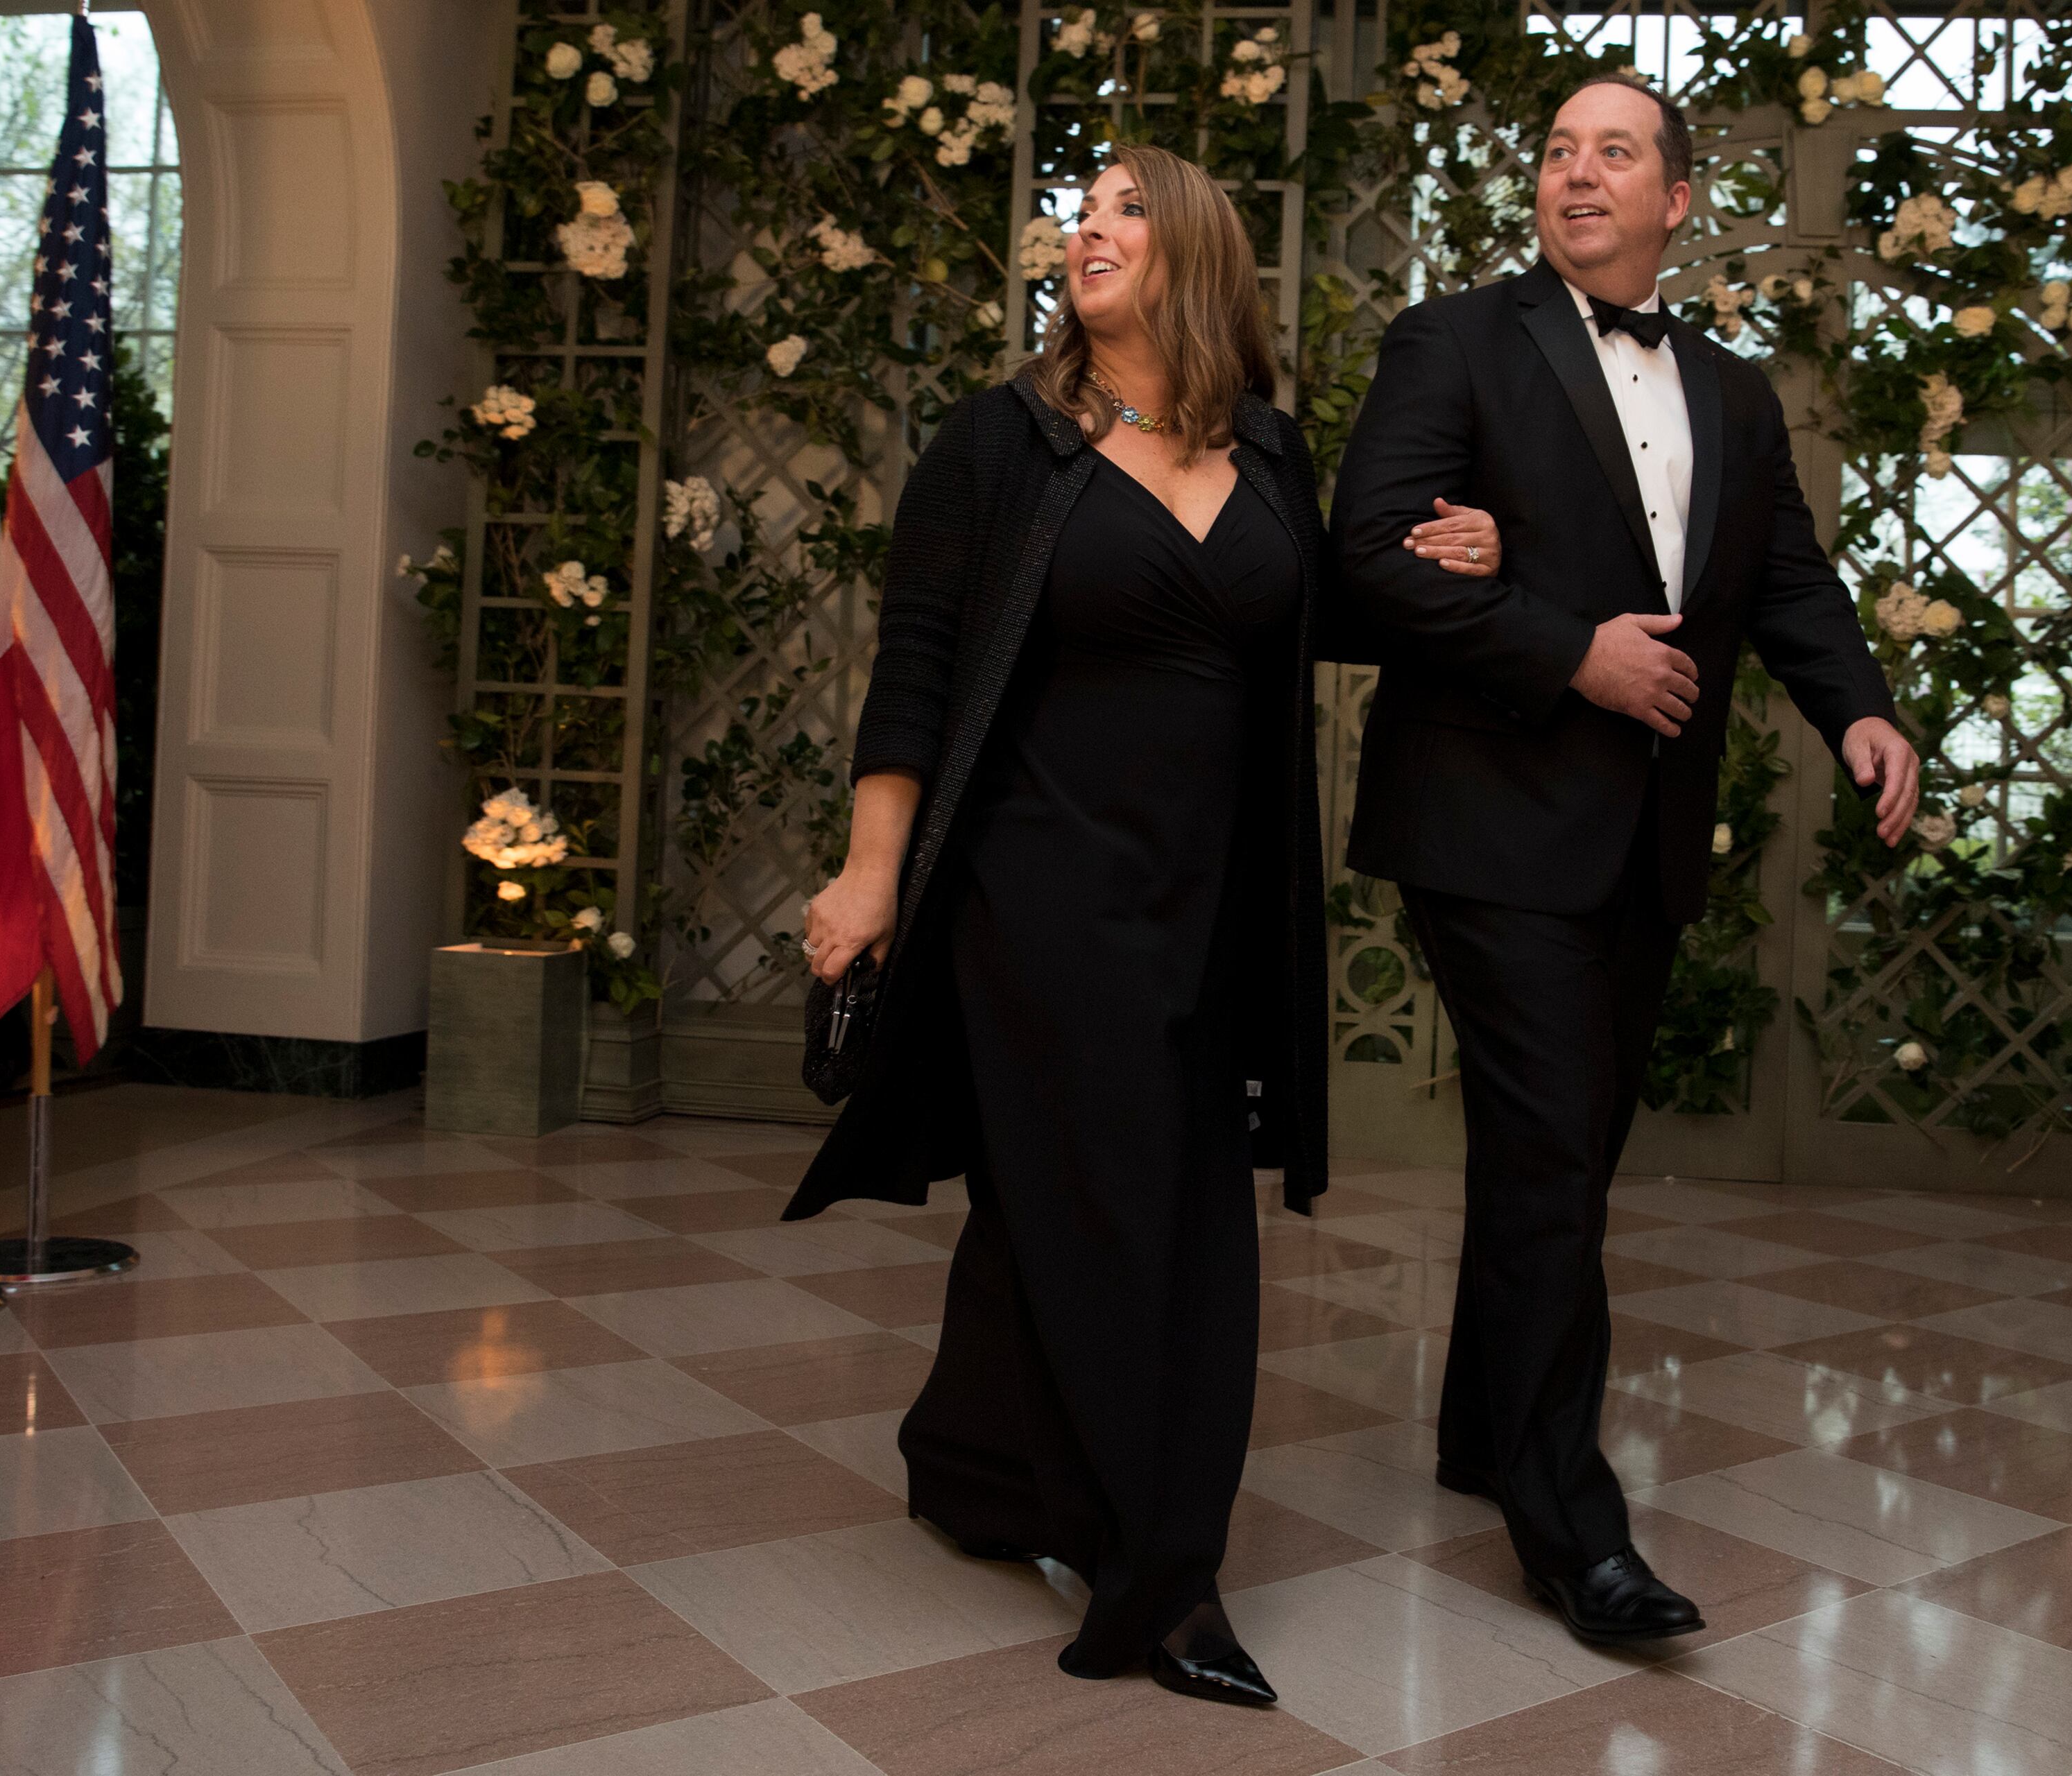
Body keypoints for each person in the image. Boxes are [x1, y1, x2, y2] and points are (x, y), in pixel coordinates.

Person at [786, 142, 1508, 1705]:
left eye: (1125, 209)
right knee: (1148, 1228)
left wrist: (1457, 559)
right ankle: (1160, 1578)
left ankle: (977, 1465)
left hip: (1215, 905)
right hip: (1034, 893)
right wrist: (870, 872)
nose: (1087, 230)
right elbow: (916, 668)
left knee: (1077, 1202)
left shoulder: (1269, 453)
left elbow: (1311, 616)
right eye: (1080, 213)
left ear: (1193, 253)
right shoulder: (1003, 445)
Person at [1326, 73, 1920, 1644]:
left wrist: (1860, 711)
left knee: (1564, 1156)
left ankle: (1476, 1431)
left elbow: (1787, 578)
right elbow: (1370, 551)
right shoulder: (1453, 341)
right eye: (1557, 153)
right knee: (1548, 1159)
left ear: (1674, 202)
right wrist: (1564, 654)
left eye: (1616, 154)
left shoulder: (1731, 391)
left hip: (1643, 835)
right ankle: (1572, 1533)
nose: (1579, 175)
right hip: (1484, 815)